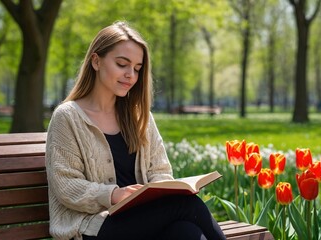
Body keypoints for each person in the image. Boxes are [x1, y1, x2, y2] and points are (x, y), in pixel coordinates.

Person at [45, 21, 226, 240]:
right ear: (96, 61)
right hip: (91, 228)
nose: (131, 74)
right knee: (186, 205)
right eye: (122, 64)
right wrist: (113, 194)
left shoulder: (140, 117)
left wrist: (162, 189)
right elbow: (66, 185)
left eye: (137, 69)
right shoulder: (68, 117)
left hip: (140, 222)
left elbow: (160, 171)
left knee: (187, 233)